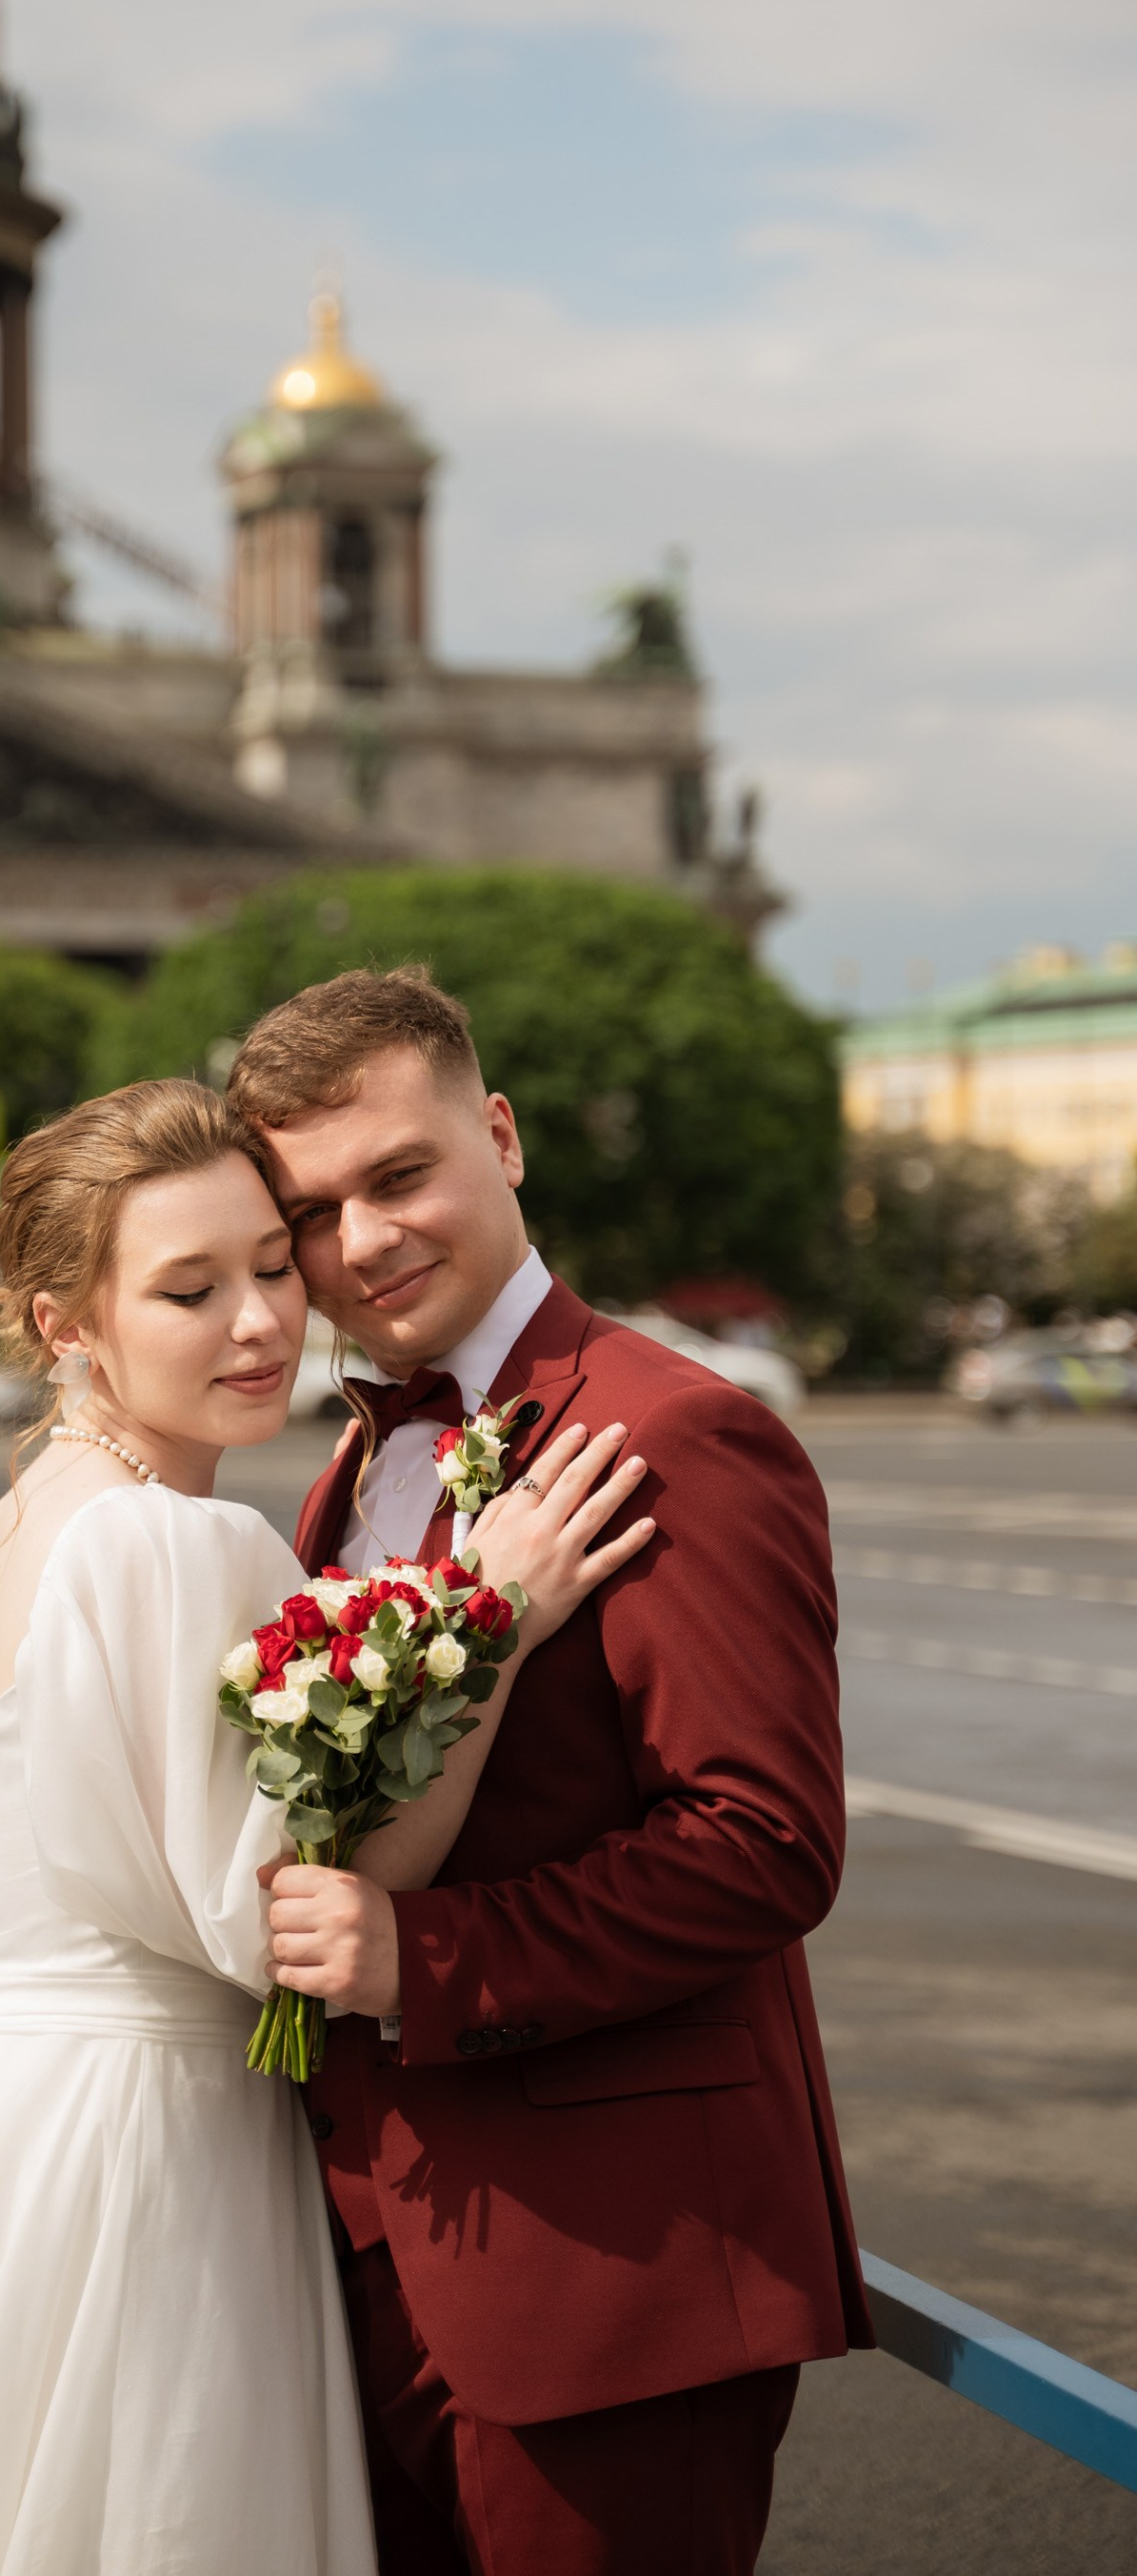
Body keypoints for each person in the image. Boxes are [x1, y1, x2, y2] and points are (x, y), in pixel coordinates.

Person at [0, 1078, 650, 2576]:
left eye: (273, 1269)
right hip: (145, 2150)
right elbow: (289, 1924)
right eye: (189, 1288)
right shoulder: (174, 1540)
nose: (258, 1323)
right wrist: (495, 1623)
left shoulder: (26, 1520)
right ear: (63, 1324)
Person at [228, 965, 875, 2576]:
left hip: (618, 2272)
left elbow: (764, 1843)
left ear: (501, 1138)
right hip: (377, 2245)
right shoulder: (356, 1466)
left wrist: (420, 1961)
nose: (362, 1240)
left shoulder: (678, 1432)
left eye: (401, 1175)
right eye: (312, 1212)